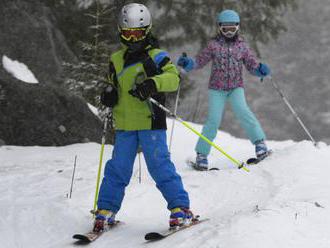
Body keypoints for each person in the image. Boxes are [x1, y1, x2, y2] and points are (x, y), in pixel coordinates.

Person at [93, 3, 193, 232]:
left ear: (146, 31)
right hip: (125, 124)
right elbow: (112, 84)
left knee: (159, 166)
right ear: (121, 31)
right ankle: (106, 210)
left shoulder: (156, 57)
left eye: (137, 33)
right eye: (127, 33)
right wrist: (109, 94)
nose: (132, 38)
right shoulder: (116, 59)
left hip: (150, 122)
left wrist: (152, 84)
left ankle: (180, 208)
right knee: (117, 168)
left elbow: (173, 79)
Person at [177, 10, 271, 170]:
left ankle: (260, 144)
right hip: (217, 88)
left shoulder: (242, 46)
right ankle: (202, 155)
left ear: (238, 27)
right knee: (213, 120)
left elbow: (251, 65)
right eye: (225, 29)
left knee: (243, 112)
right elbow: (200, 61)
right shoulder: (213, 45)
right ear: (220, 28)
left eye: (232, 29)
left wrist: (260, 70)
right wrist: (188, 64)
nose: (229, 32)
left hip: (236, 88)